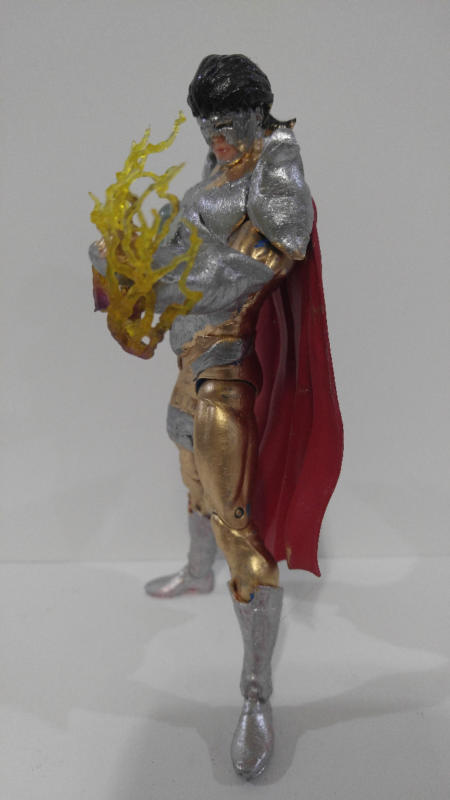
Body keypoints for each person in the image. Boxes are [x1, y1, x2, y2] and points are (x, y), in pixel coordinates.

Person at [90, 53, 343, 780]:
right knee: (190, 474)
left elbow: (272, 253)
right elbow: (174, 250)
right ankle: (196, 570)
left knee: (237, 521)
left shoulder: (275, 169)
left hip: (227, 370)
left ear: (257, 116)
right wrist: (122, 260)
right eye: (209, 127)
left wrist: (174, 277)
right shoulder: (218, 171)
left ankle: (256, 693)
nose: (220, 139)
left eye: (230, 125)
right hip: (188, 360)